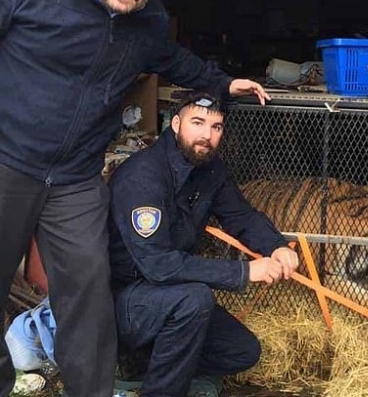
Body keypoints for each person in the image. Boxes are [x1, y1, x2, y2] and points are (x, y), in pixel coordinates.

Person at [0, 0, 271, 396]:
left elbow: (173, 58)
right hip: (9, 159)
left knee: (88, 300)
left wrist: (225, 83)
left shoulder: (148, 20)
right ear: (177, 125)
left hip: (76, 178)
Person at [107, 92, 300, 397]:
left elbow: (241, 216)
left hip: (168, 294)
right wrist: (243, 272)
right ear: (176, 123)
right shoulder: (143, 177)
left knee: (242, 351)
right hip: (126, 301)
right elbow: (157, 265)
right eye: (198, 123)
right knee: (195, 299)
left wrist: (276, 246)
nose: (207, 136)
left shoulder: (209, 170)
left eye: (217, 127)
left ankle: (141, 366)